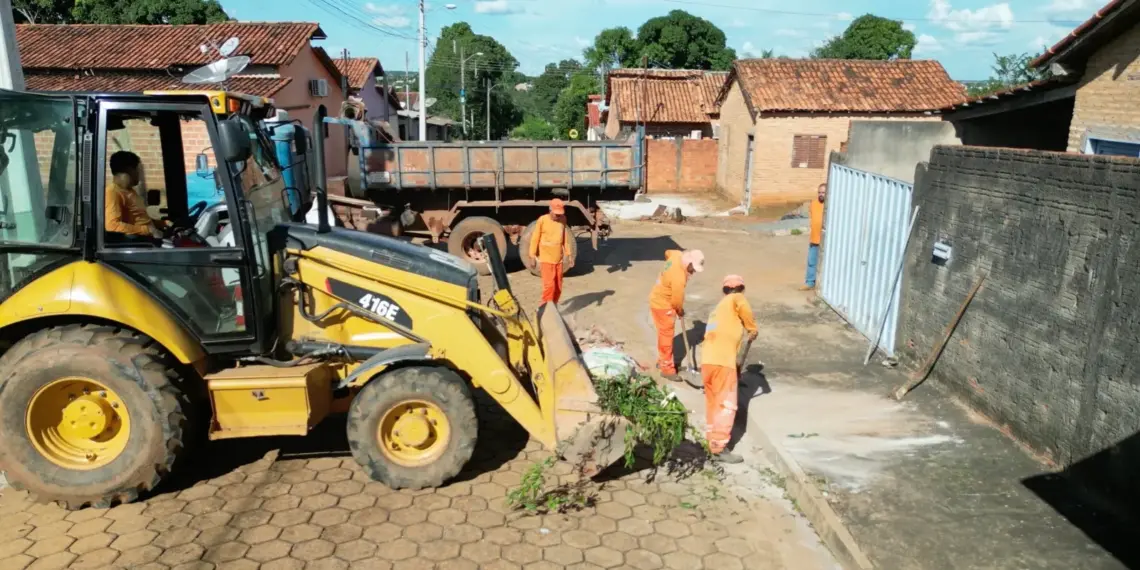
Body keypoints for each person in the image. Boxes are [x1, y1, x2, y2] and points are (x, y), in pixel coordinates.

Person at [701, 274, 757, 464]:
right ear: (740, 288)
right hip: (722, 363)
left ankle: (712, 442)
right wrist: (752, 328)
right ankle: (719, 448)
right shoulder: (737, 298)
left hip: (708, 362)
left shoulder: (718, 309)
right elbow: (745, 310)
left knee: (713, 404)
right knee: (726, 405)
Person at [648, 249, 704, 380]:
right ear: (689, 262)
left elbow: (667, 252)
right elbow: (676, 300)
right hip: (663, 305)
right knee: (666, 336)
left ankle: (662, 361)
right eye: (693, 268)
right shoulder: (679, 277)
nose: (693, 271)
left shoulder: (676, 255)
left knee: (663, 334)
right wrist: (679, 311)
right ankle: (667, 369)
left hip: (656, 297)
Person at [106, 151, 163, 239]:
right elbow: (112, 226)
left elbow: (140, 219)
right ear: (130, 170)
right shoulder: (112, 193)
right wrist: (148, 230)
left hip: (152, 237)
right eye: (137, 169)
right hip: (140, 242)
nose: (139, 174)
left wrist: (163, 223)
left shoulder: (130, 191)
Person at [528, 198, 574, 308]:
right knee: (549, 286)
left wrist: (569, 255)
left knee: (558, 286)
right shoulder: (542, 220)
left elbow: (565, 238)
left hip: (558, 259)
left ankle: (553, 306)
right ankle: (544, 309)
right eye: (556, 214)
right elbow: (535, 238)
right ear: (550, 210)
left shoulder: (563, 219)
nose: (557, 217)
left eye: (560, 214)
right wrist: (532, 256)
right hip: (546, 259)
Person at [801, 183, 826, 290]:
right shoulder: (813, 204)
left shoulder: (830, 205)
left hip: (826, 240)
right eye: (819, 192)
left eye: (823, 192)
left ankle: (823, 284)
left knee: (825, 262)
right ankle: (810, 282)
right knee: (812, 261)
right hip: (815, 238)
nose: (821, 194)